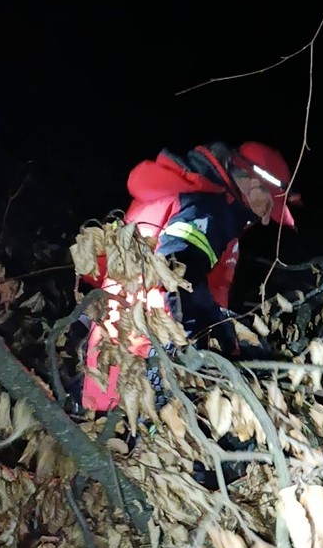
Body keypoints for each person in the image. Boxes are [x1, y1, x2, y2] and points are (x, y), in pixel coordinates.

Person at [74, 141, 298, 414]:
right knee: (146, 430)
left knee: (104, 422)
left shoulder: (187, 195)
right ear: (253, 185)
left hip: (120, 341)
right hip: (148, 352)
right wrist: (203, 336)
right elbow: (178, 269)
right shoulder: (208, 209)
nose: (264, 219)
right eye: (268, 207)